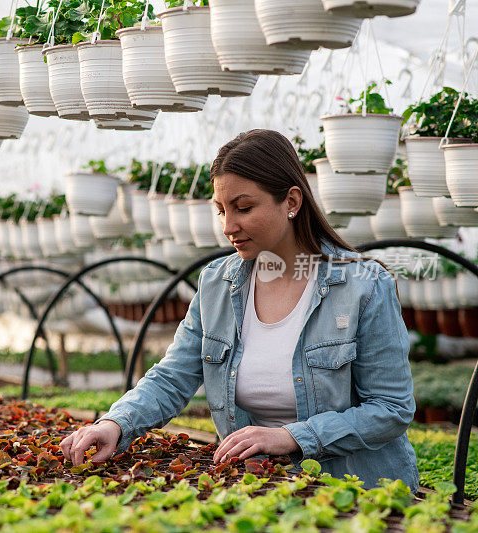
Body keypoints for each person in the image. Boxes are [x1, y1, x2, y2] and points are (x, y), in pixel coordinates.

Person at [59, 129, 419, 491]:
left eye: (244, 208)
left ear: (291, 201)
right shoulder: (217, 284)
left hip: (358, 492)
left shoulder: (363, 285)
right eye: (221, 210)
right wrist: (115, 423)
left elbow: (391, 409)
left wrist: (291, 437)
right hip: (258, 486)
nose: (229, 227)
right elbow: (173, 375)